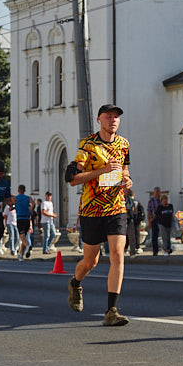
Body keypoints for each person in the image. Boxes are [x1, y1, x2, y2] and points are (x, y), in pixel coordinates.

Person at [66, 103, 132, 326]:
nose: (113, 120)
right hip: (92, 210)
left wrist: (127, 180)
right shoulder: (88, 145)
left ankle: (111, 311)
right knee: (90, 261)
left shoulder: (124, 144)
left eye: (116, 117)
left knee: (117, 254)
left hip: (116, 207)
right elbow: (73, 179)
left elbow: (124, 169)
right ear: (99, 120)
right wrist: (101, 171)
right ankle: (75, 283)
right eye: (108, 116)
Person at [14, 184, 34, 261]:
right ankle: (21, 255)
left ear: (18, 190)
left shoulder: (16, 198)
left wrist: (12, 207)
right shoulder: (28, 198)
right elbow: (33, 203)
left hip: (20, 218)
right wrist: (31, 210)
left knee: (22, 236)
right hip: (27, 219)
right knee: (24, 237)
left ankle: (28, 246)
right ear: (24, 190)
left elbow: (11, 205)